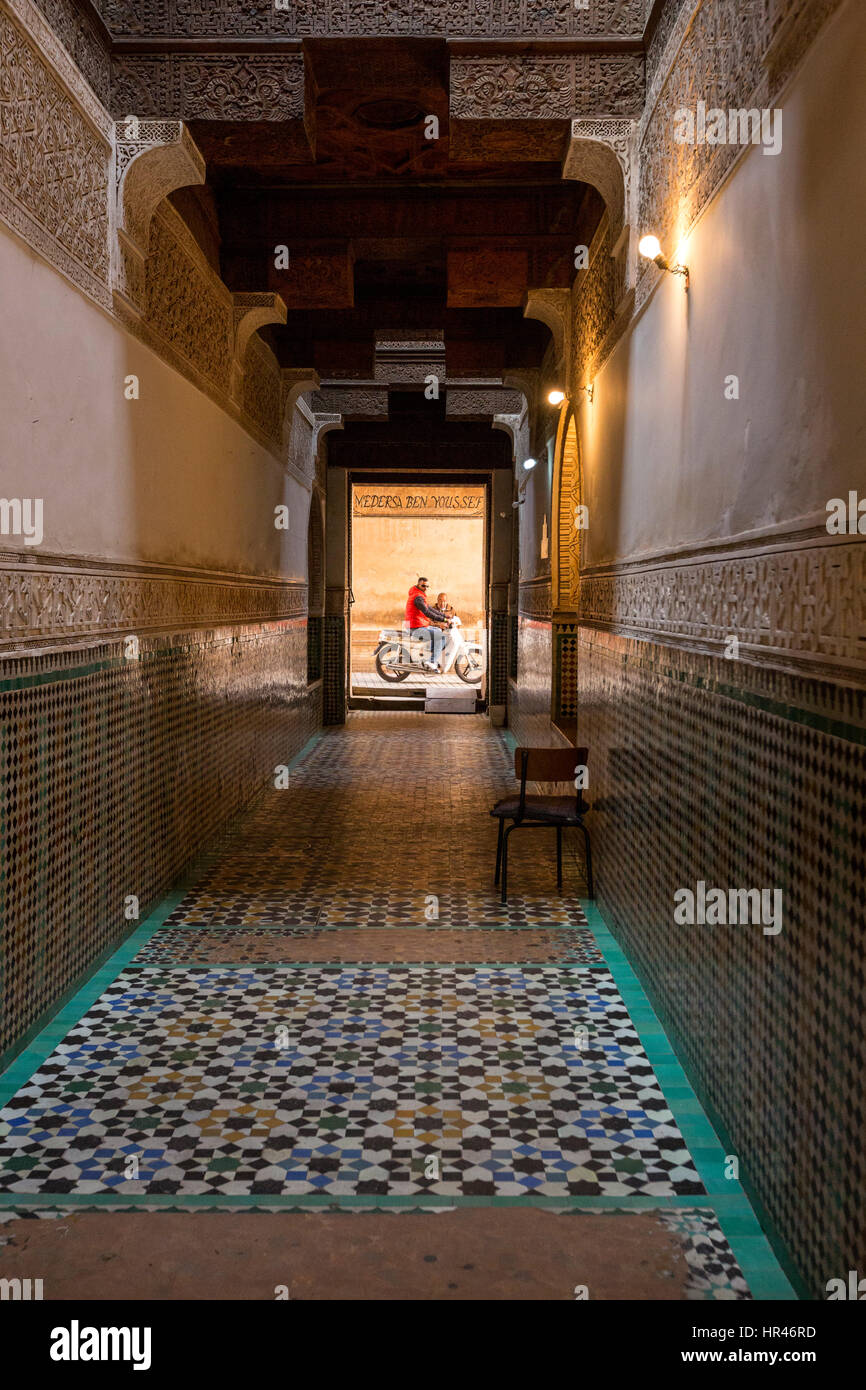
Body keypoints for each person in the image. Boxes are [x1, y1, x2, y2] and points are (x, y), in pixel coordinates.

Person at [404, 577, 449, 671]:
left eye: (427, 586)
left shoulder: (419, 595)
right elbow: (427, 612)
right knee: (440, 636)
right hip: (415, 628)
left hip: (417, 626)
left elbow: (429, 608)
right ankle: (432, 661)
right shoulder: (418, 597)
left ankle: (430, 658)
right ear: (418, 585)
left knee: (438, 631)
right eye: (423, 586)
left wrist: (445, 616)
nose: (425, 588)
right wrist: (444, 619)